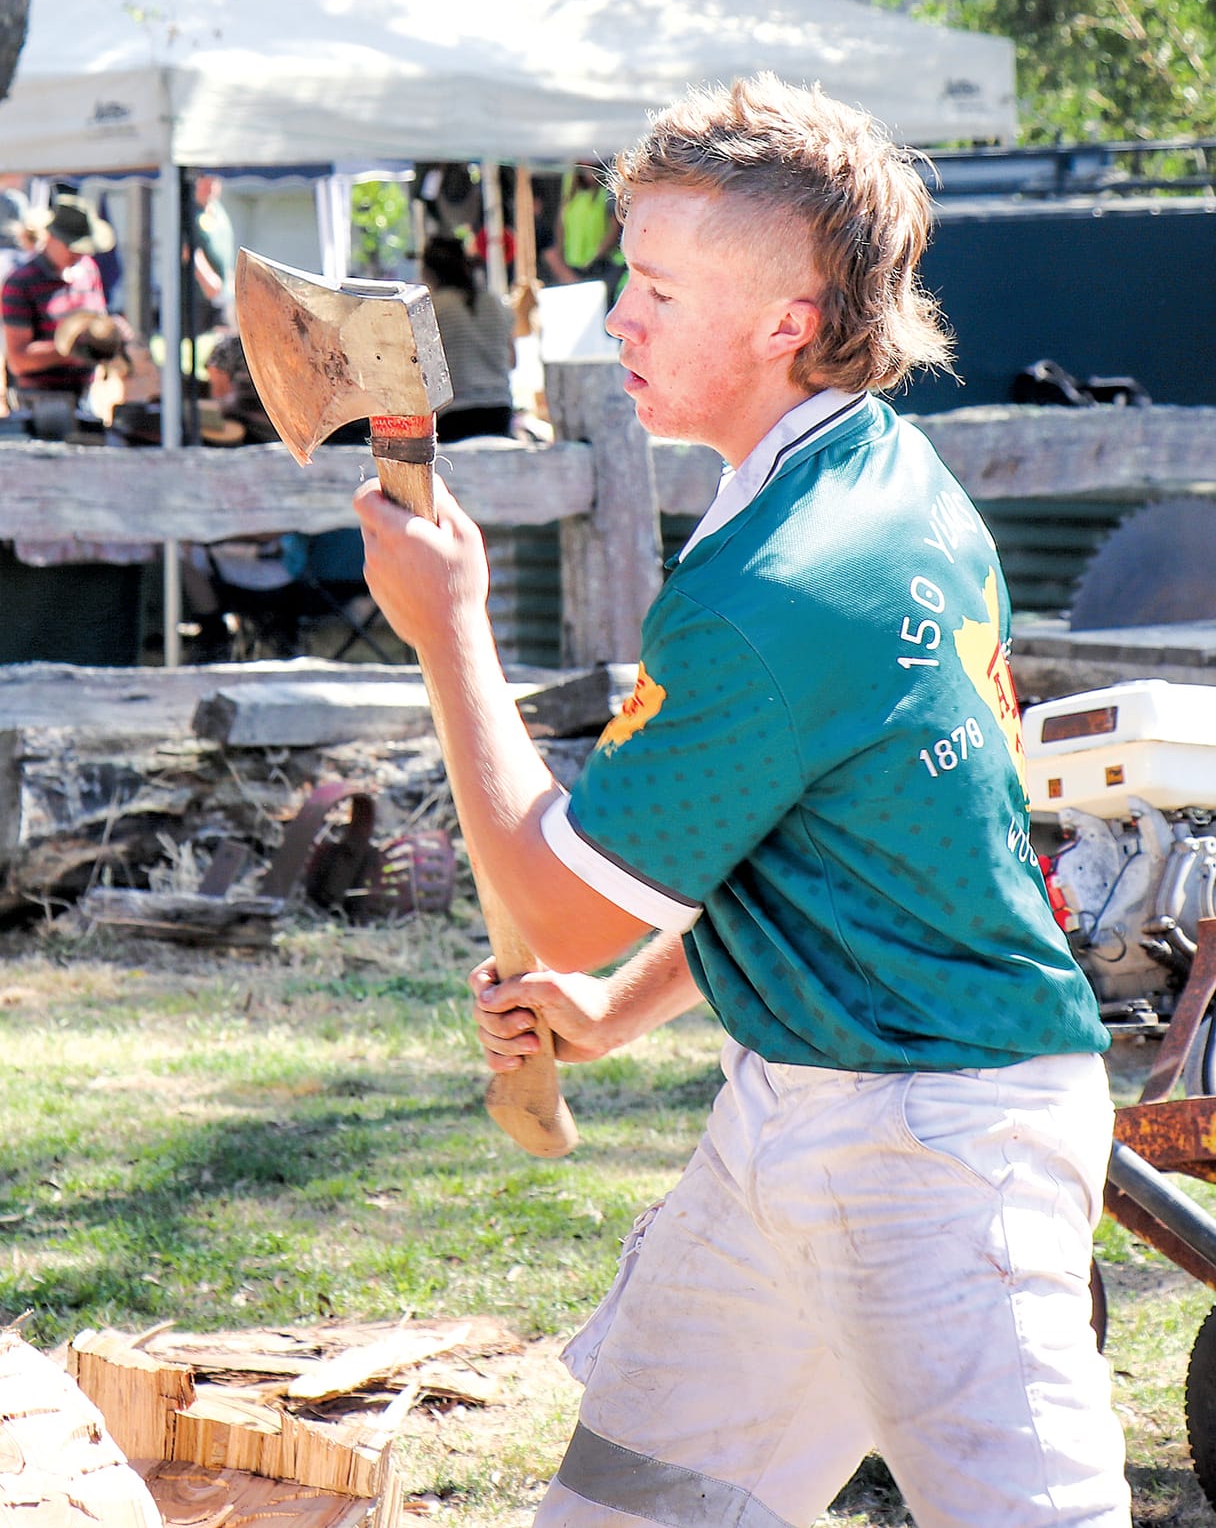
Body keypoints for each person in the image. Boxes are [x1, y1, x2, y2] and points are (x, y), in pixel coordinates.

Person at [354, 75, 1125, 1528]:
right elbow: (804, 853)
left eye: (651, 287)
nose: (617, 321)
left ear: (790, 320)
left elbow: (556, 901)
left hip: (945, 1153)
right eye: (620, 279)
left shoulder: (776, 592)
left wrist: (446, 622)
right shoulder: (882, 478)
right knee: (631, 1511)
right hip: (799, 1111)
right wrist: (620, 1008)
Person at [0, 195, 113, 409]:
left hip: (86, 394)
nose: (79, 254)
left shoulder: (88, 270)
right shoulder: (20, 283)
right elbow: (18, 359)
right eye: (73, 247)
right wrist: (72, 347)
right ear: (52, 238)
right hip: (40, 400)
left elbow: (100, 319)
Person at [419, 235, 515, 440]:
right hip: (500, 410)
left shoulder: (431, 308)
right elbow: (512, 361)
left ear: (428, 272)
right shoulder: (495, 303)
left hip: (454, 415)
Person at [546, 160, 623, 288]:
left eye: (592, 168)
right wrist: (560, 254)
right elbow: (561, 224)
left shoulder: (605, 190)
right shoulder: (571, 190)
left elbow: (614, 227)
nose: (588, 173)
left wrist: (596, 257)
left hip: (602, 264)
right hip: (575, 263)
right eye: (584, 168)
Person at [189, 173, 236, 335]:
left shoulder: (218, 210)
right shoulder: (190, 212)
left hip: (222, 292)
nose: (210, 185)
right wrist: (206, 278)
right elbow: (188, 250)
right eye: (205, 180)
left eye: (214, 180)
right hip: (199, 295)